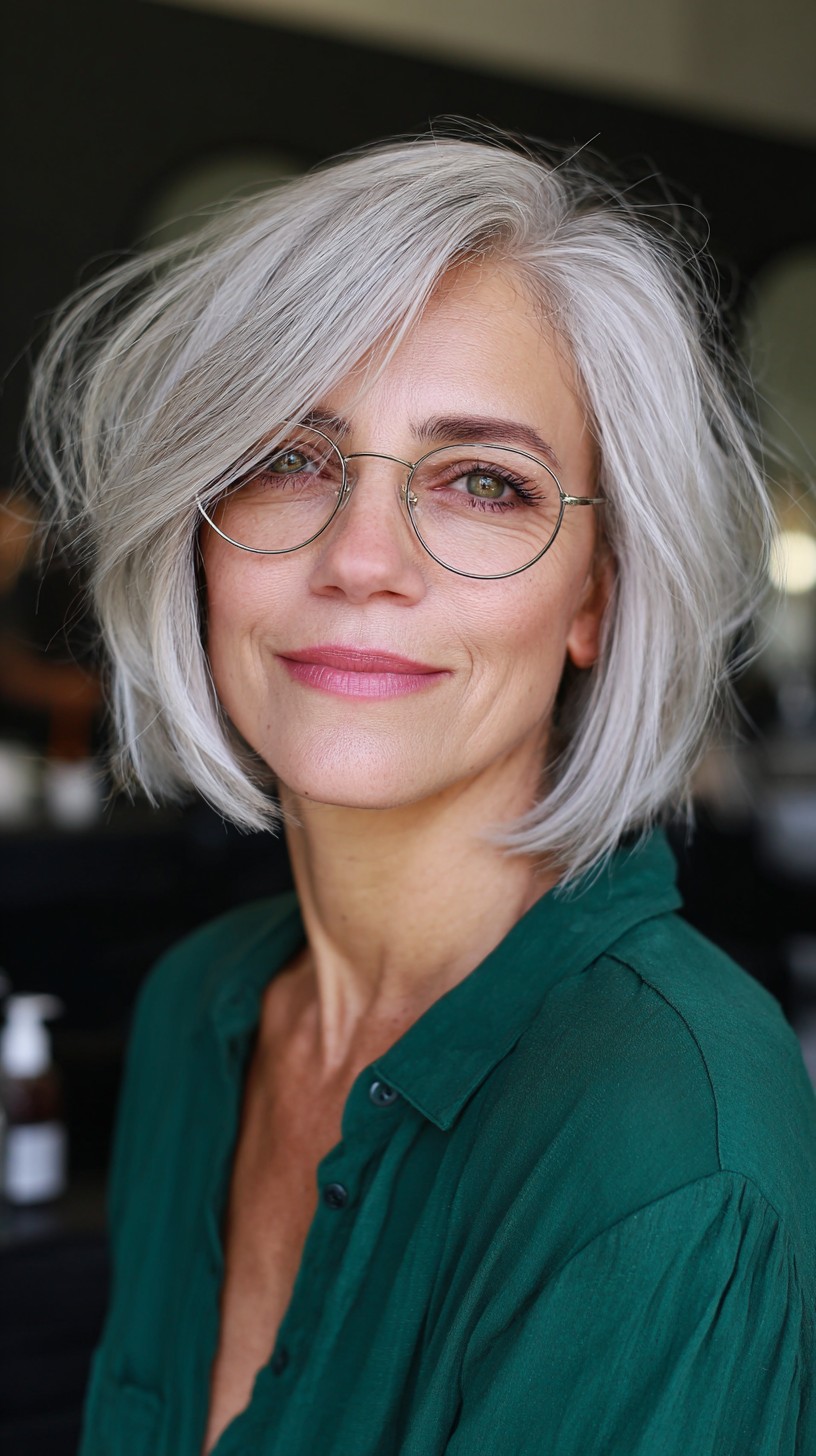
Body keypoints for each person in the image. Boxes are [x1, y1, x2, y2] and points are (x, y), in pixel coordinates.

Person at [26, 128, 816, 1456]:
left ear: (597, 598)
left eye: (484, 484)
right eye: (288, 457)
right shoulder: (197, 1013)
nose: (361, 559)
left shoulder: (665, 1139)